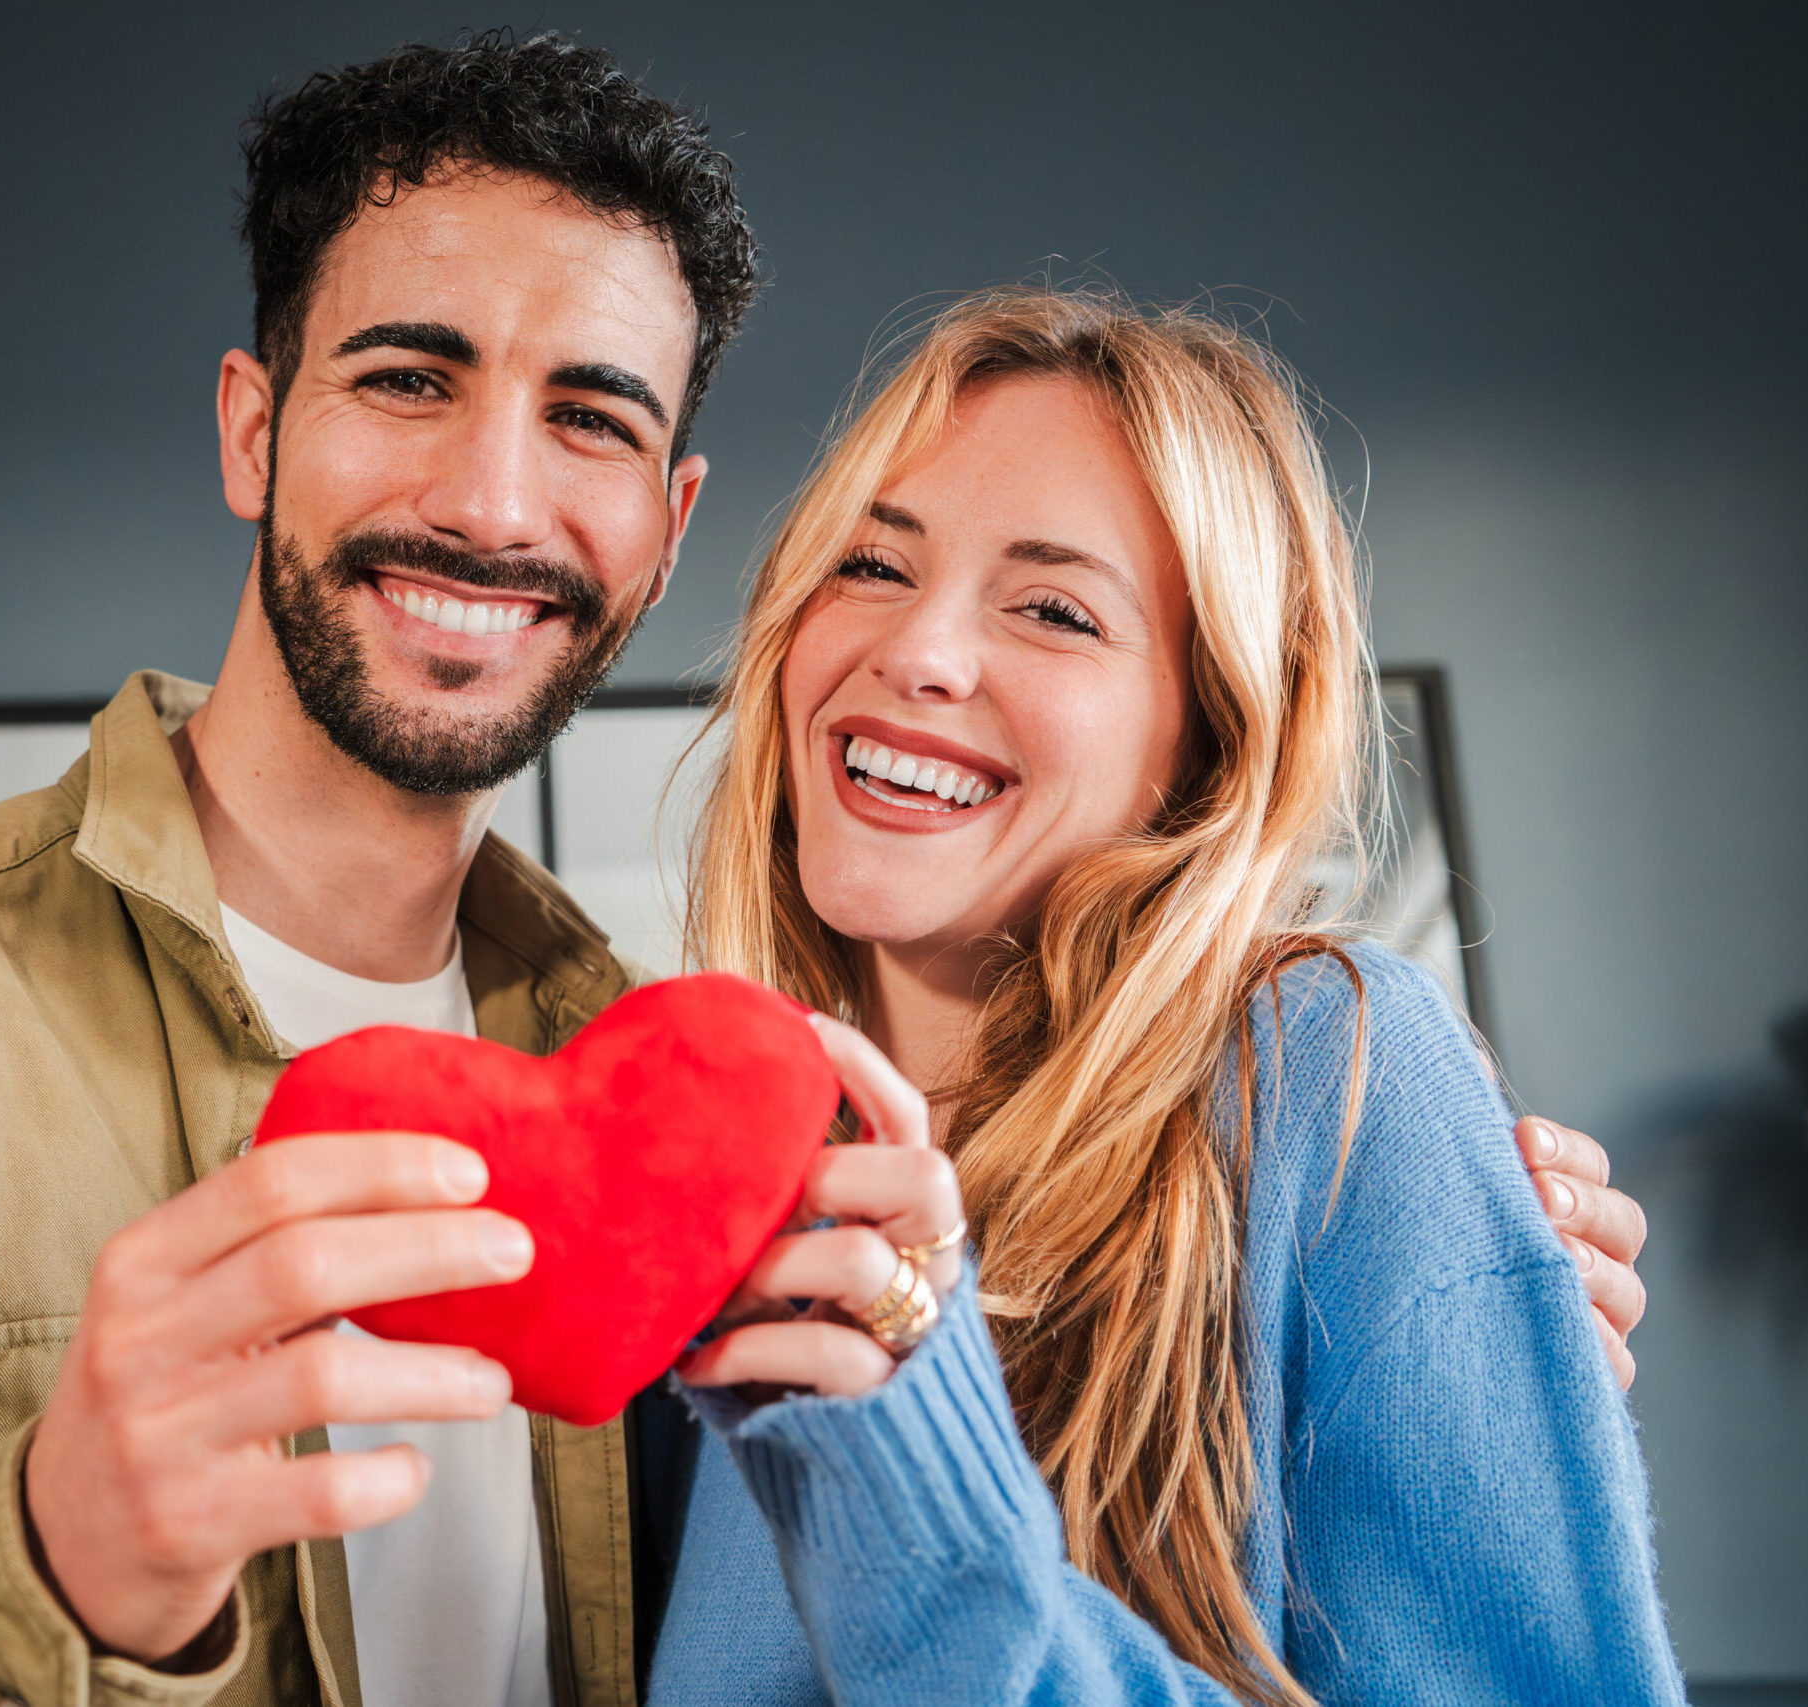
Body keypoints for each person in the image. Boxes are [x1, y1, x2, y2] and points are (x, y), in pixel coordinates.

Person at [0, 34, 1647, 1707]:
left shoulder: (682, 1089)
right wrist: (49, 1564)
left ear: (668, 523)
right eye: (406, 374)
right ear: (255, 427)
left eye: (593, 420)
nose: (490, 493)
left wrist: (1444, 1265)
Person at [635, 288, 1682, 1702]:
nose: (920, 653)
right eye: (871, 566)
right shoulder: (729, 1184)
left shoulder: (1321, 1067)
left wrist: (916, 1472)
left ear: (1204, 737)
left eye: (1053, 609)